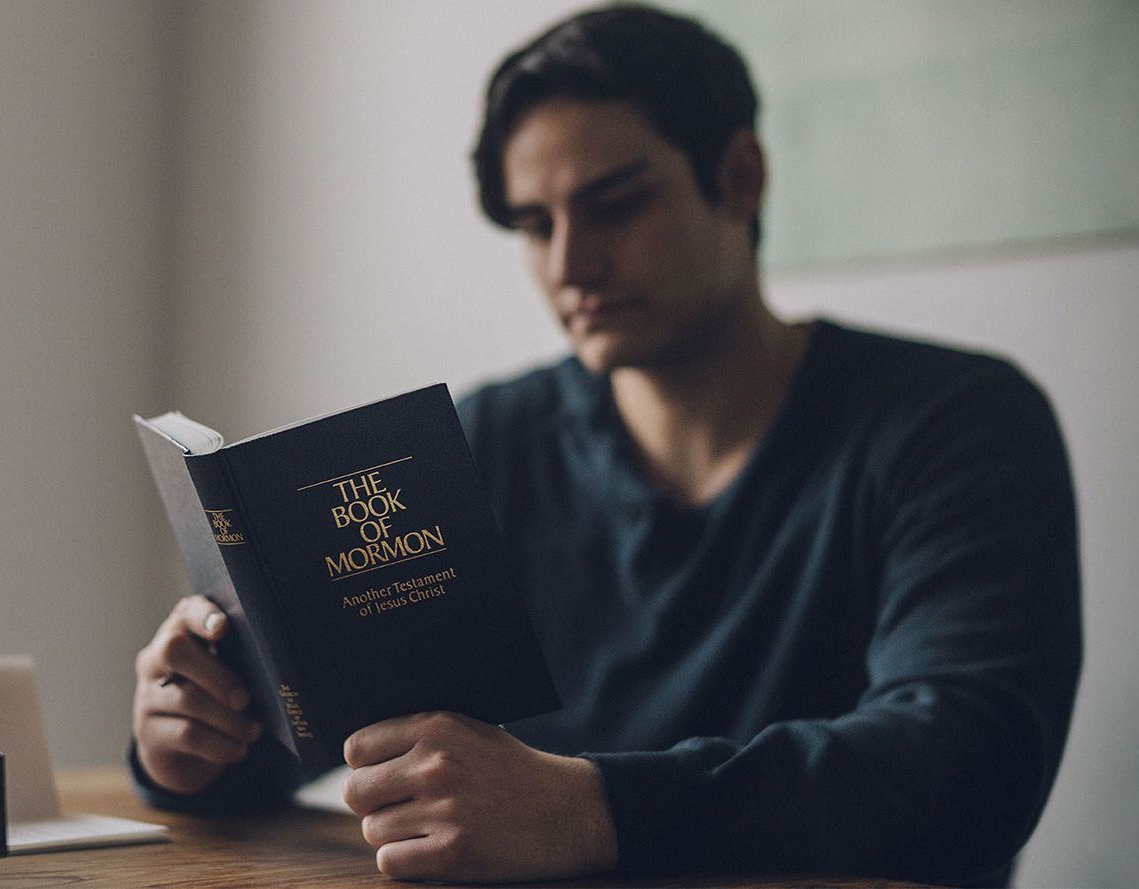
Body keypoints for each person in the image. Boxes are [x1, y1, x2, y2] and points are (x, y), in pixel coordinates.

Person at [129, 5, 1082, 885]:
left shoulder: (954, 422)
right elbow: (362, 735)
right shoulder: (482, 443)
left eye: (617, 205)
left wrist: (590, 810)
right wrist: (202, 742)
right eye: (536, 224)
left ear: (740, 177)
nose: (570, 264)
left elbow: (970, 764)